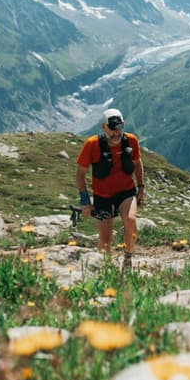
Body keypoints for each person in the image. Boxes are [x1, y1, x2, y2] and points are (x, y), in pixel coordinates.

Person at [76, 108, 145, 269]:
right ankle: (105, 270)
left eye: (120, 128)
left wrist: (141, 187)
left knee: (130, 221)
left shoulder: (131, 141)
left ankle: (128, 258)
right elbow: (80, 174)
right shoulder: (92, 145)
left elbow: (137, 162)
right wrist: (85, 201)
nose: (117, 133)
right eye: (113, 129)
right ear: (103, 127)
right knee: (105, 241)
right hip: (102, 196)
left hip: (126, 192)